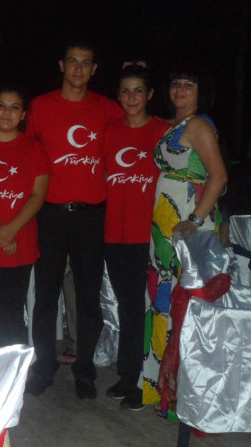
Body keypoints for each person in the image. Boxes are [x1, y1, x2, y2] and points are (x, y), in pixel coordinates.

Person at [24, 41, 124, 398]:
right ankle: (44, 366)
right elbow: (26, 154)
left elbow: (133, 136)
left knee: (87, 297)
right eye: (72, 61)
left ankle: (85, 370)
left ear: (94, 70)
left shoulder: (108, 109)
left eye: (86, 63)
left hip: (91, 216)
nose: (79, 69)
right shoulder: (41, 106)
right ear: (61, 65)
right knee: (46, 295)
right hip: (50, 213)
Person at [142, 65, 227, 417]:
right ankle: (162, 389)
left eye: (188, 84)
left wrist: (194, 220)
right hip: (168, 222)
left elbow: (218, 176)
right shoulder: (178, 124)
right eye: (175, 83)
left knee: (182, 303)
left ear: (200, 91)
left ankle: (179, 397)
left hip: (186, 223)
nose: (180, 89)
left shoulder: (198, 126)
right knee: (164, 298)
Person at [103, 63, 170, 410]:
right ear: (118, 95)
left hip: (152, 235)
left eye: (138, 91)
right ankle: (129, 376)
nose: (131, 97)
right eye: (125, 91)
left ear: (150, 94)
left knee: (152, 309)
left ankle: (150, 382)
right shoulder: (109, 132)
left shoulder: (164, 131)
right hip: (116, 234)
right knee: (130, 307)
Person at [0, 87, 49, 346]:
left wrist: (11, 230)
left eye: (15, 107)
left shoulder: (34, 148)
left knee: (13, 312)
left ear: (23, 114)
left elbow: (37, 195)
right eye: (1, 105)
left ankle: (13, 368)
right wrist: (0, 232)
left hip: (19, 243)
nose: (7, 112)